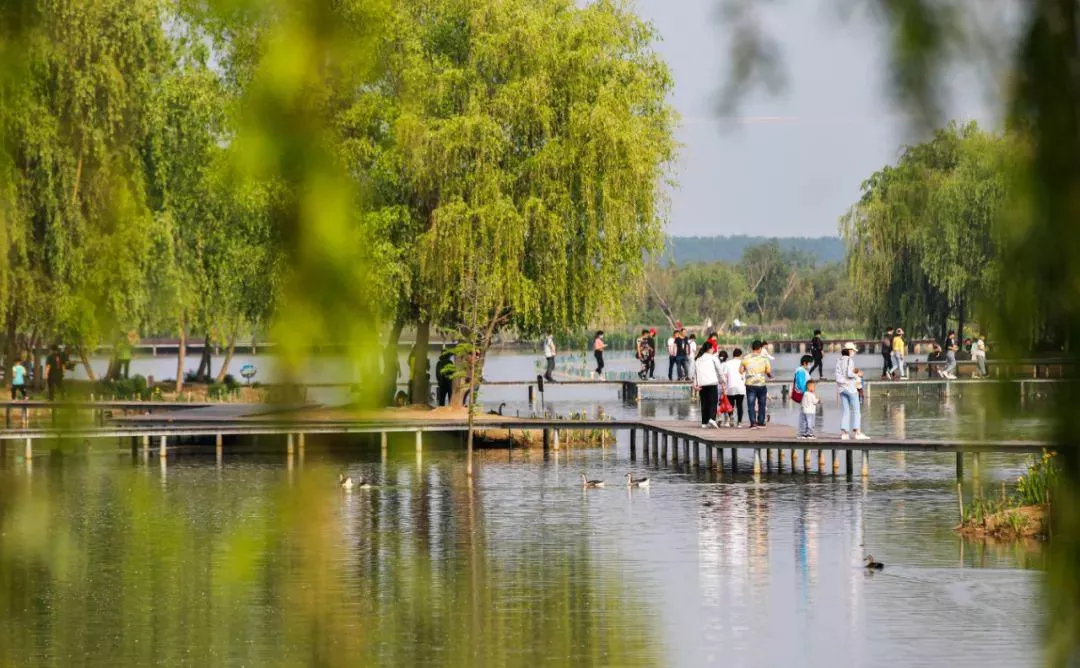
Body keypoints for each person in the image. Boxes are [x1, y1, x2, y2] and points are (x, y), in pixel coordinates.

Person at [836, 342, 870, 440]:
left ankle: (844, 433)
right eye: (853, 351)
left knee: (846, 411)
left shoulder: (838, 360)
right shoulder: (849, 360)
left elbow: (838, 376)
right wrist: (858, 375)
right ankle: (857, 433)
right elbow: (849, 374)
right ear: (850, 351)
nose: (854, 353)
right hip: (850, 388)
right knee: (856, 411)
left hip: (841, 389)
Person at [741, 340, 772, 429]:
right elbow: (768, 371)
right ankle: (761, 422)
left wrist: (748, 370)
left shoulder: (746, 358)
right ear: (760, 349)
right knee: (762, 403)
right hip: (761, 384)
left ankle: (753, 423)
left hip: (750, 384)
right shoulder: (764, 359)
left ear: (752, 348)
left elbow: (741, 370)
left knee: (751, 404)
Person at [693, 340, 725, 428]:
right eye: (713, 348)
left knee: (704, 403)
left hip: (701, 383)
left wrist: (695, 384)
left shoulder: (698, 359)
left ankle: (704, 423)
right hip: (711, 382)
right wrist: (723, 380)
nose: (713, 350)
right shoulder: (713, 357)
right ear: (709, 349)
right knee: (713, 402)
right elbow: (719, 370)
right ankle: (712, 418)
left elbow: (695, 373)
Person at [722, 348, 746, 427]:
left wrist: (724, 387)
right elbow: (745, 375)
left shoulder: (727, 363)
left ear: (733, 355)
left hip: (730, 386)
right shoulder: (743, 363)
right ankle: (739, 423)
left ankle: (731, 417)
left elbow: (724, 376)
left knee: (731, 405)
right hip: (740, 387)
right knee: (739, 405)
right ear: (740, 355)